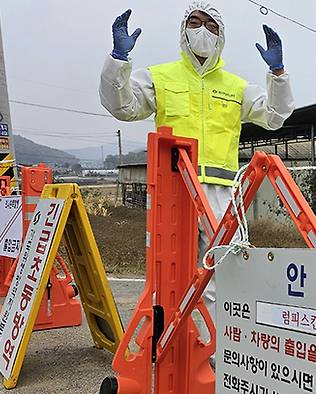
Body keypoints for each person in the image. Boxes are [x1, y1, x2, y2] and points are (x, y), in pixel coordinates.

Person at [99, 0, 294, 337]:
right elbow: (122, 106)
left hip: (220, 196)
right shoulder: (160, 77)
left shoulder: (236, 86)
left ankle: (217, 356)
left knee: (220, 276)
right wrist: (118, 61)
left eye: (210, 25)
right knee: (169, 273)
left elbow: (275, 116)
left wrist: (277, 74)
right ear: (183, 30)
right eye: (195, 21)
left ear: (221, 36)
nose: (202, 30)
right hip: (174, 191)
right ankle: (169, 345)